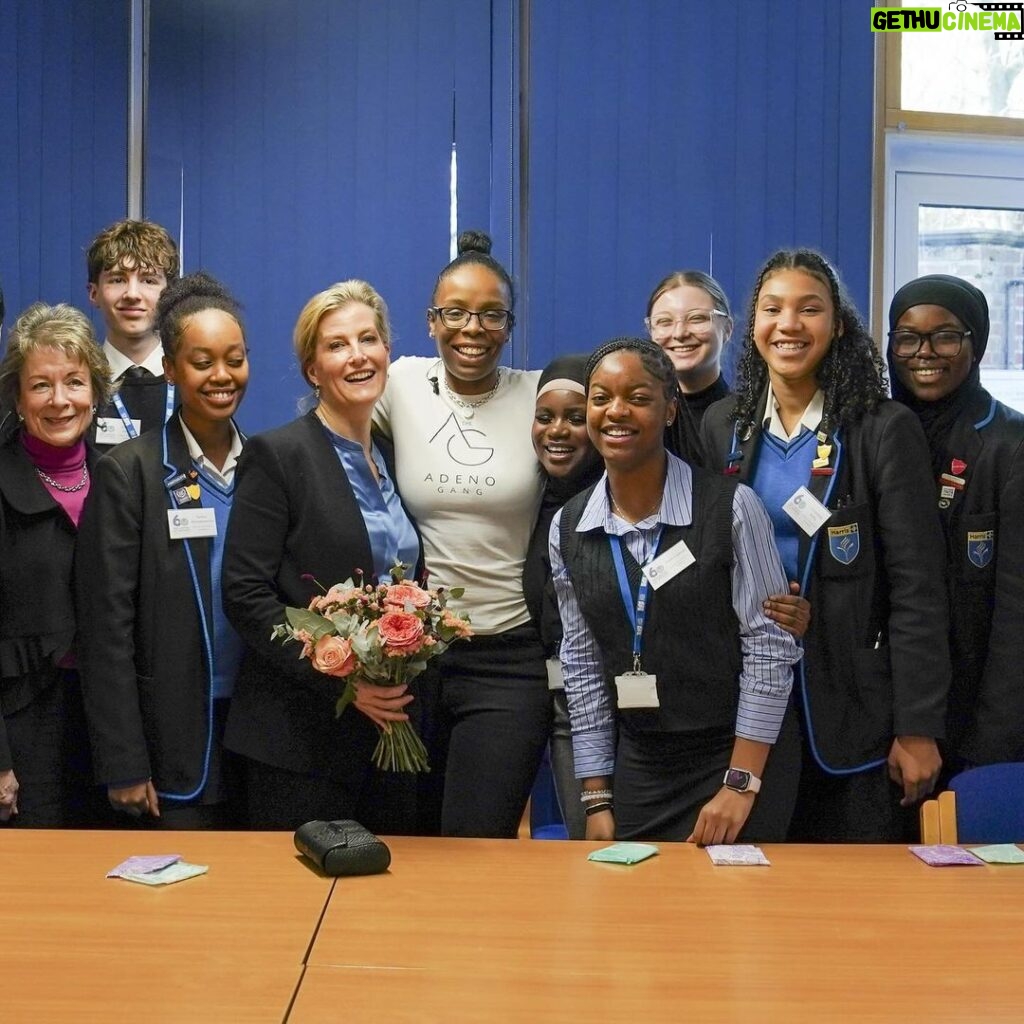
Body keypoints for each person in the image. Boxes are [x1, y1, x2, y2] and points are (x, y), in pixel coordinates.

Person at [702, 249, 952, 842]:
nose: (789, 325)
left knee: (852, 905)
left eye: (809, 309)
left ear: (837, 324)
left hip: (850, 703)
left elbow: (919, 588)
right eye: (773, 309)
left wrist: (917, 727)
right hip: (746, 705)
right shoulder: (722, 426)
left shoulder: (881, 429)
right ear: (754, 323)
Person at [550, 338, 801, 844]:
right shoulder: (569, 526)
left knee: (741, 912)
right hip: (643, 761)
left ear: (669, 409)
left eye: (637, 397)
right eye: (600, 398)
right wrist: (596, 797)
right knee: (639, 913)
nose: (615, 411)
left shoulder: (731, 508)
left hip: (740, 752)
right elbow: (582, 665)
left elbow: (769, 648)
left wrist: (741, 783)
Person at [222, 280, 420, 831]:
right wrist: (345, 678)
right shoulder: (278, 455)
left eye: (368, 339)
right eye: (337, 345)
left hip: (388, 735)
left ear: (387, 352)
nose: (357, 356)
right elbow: (245, 595)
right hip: (298, 738)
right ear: (313, 369)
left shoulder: (394, 455)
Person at [373, 229, 551, 838]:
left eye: (490, 315)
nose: (471, 328)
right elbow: (328, 432)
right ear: (431, 321)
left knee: (479, 842)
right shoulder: (399, 384)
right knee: (410, 837)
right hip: (415, 659)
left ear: (509, 325)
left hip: (510, 657)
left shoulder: (539, 396)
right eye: (455, 312)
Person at [76, 272, 250, 828]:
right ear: (170, 369)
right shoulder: (130, 471)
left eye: (235, 358)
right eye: (202, 362)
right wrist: (123, 760)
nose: (222, 376)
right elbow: (105, 630)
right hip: (170, 733)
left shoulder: (271, 467)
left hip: (262, 733)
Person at [888, 274, 1024, 775]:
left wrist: (989, 751)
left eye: (945, 335)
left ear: (977, 343)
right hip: (883, 723)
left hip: (979, 721)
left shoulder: (1010, 445)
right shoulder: (868, 433)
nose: (925, 352)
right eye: (907, 337)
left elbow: (1015, 620)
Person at [0, 303, 111, 827]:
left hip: (106, 721)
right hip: (22, 724)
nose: (61, 400)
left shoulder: (121, 479)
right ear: (18, 399)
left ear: (96, 390)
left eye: (74, 381)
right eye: (41, 385)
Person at [523, 354, 604, 839]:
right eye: (545, 417)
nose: (558, 431)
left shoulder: (620, 499)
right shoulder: (524, 500)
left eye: (575, 418)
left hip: (616, 704)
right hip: (554, 701)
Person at [86, 219, 179, 446]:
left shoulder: (191, 381)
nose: (132, 294)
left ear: (169, 294)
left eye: (148, 280)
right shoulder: (78, 385)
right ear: (94, 293)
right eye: (118, 280)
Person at [645, 270, 733, 464]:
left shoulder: (748, 419)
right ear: (651, 331)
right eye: (664, 322)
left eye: (697, 318)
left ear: (727, 329)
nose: (679, 333)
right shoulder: (642, 419)